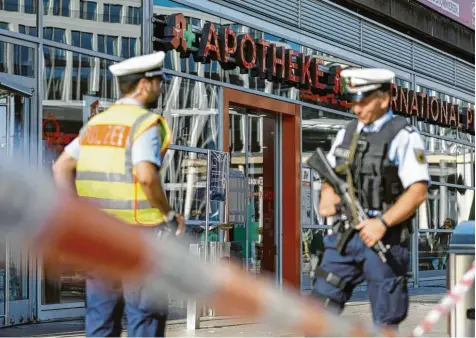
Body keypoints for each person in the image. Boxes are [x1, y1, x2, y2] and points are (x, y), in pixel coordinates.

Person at [52, 51, 185, 337]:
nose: (161, 88)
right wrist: (169, 214)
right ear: (144, 84)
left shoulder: (96, 125)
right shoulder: (144, 123)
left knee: (100, 316)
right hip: (139, 234)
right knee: (145, 316)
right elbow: (147, 177)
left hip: (100, 235)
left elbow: (61, 167)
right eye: (159, 81)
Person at [312, 68, 429, 328]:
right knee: (317, 311)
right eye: (354, 101)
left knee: (386, 321)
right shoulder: (347, 132)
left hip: (383, 240)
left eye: (363, 101)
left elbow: (418, 191)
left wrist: (383, 223)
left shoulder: (403, 136)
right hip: (346, 236)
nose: (357, 108)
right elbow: (331, 173)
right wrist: (328, 195)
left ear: (384, 99)